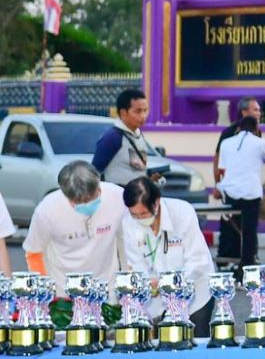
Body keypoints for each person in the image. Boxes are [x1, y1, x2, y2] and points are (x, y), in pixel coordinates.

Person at [122, 176, 215, 331]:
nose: (139, 219)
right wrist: (147, 283)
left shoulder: (182, 213)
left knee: (196, 340)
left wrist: (167, 283)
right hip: (156, 301)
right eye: (134, 214)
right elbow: (136, 263)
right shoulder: (128, 222)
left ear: (156, 202)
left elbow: (197, 261)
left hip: (195, 295)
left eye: (143, 214)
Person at [22, 160, 126, 289]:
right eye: (79, 202)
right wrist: (46, 289)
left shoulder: (118, 197)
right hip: (62, 292)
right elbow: (34, 252)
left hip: (107, 288)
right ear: (66, 195)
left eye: (91, 199)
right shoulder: (46, 210)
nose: (86, 204)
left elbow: (125, 242)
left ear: (98, 186)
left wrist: (127, 282)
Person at [215, 114, 265, 267]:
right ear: (256, 129)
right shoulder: (260, 143)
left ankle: (227, 262)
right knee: (249, 232)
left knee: (231, 228)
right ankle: (246, 265)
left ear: (238, 128)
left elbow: (222, 170)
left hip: (230, 193)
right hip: (251, 194)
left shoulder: (226, 143)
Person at [92, 88, 154, 186]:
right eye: (138, 111)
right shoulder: (113, 137)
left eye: (145, 110)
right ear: (123, 113)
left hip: (138, 192)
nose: (143, 116)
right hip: (117, 192)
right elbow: (94, 171)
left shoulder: (138, 134)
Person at [213, 97, 262, 185]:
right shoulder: (229, 132)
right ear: (244, 112)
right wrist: (217, 184)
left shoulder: (257, 132)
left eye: (259, 110)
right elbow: (218, 158)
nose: (259, 113)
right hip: (231, 184)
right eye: (255, 110)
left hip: (250, 184)